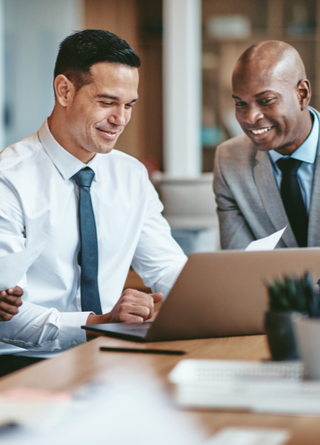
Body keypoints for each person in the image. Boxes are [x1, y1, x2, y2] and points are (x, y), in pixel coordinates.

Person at [0, 29, 187, 375]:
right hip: (22, 364)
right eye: (106, 102)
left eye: (128, 105)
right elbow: (8, 317)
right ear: (64, 90)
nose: (121, 120)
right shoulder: (8, 179)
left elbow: (166, 268)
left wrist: (214, 298)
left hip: (111, 355)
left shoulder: (131, 175)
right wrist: (97, 323)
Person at [213, 40, 320, 250]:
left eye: (266, 100)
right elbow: (239, 260)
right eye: (240, 104)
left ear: (302, 94)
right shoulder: (229, 160)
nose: (250, 118)